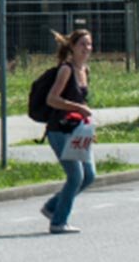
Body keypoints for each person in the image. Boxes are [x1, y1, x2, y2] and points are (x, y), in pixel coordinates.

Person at [40, 28, 96, 233]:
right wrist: (78, 108)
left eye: (89, 44)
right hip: (59, 130)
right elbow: (52, 99)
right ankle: (58, 222)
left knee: (89, 175)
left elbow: (82, 102)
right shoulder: (66, 70)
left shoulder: (85, 70)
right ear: (72, 46)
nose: (86, 48)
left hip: (78, 129)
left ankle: (52, 206)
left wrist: (88, 127)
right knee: (75, 176)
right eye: (82, 44)